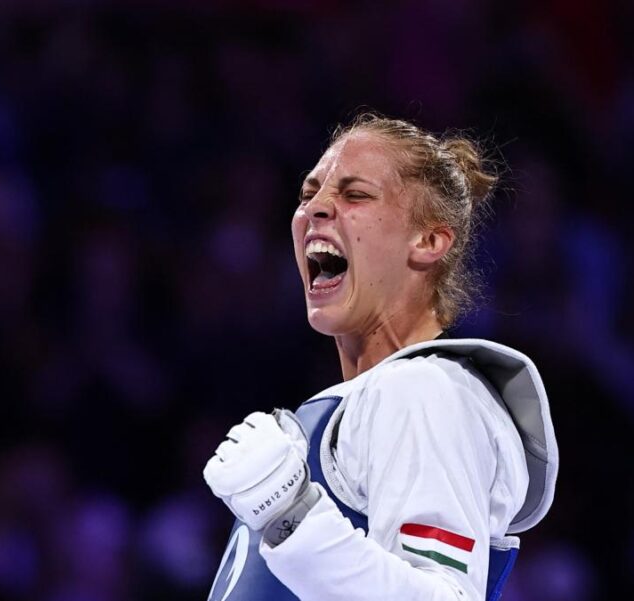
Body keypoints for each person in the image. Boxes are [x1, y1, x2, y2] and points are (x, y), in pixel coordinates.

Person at [203, 113, 558, 601]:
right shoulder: (354, 408)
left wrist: (292, 516)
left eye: (355, 195)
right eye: (308, 194)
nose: (315, 209)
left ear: (429, 241)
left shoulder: (425, 392)